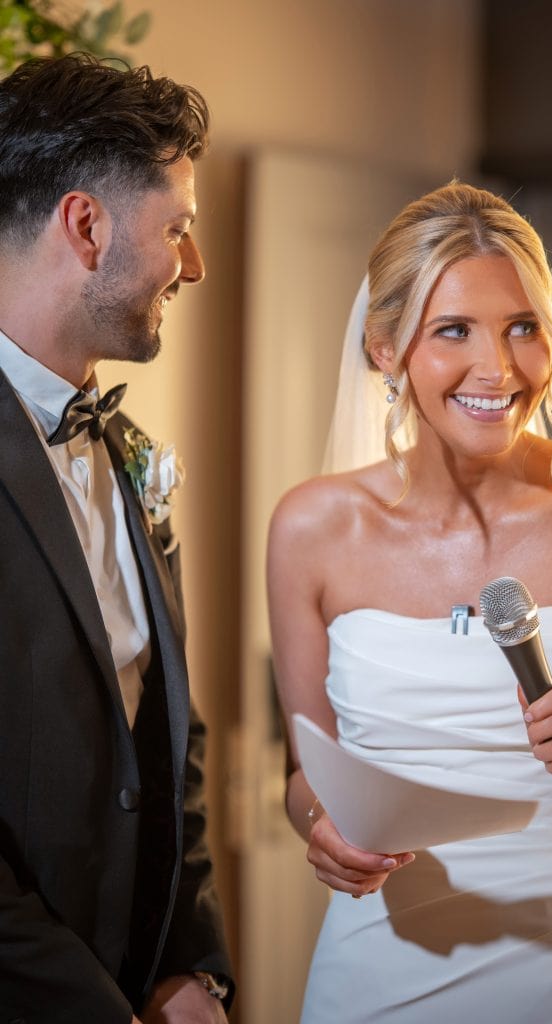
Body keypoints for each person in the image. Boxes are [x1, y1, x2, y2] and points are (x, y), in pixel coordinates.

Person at [267, 180, 552, 1022]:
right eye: (452, 330)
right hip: (377, 977)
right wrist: (324, 828)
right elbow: (304, 775)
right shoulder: (311, 527)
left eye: (522, 328)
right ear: (384, 348)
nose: (497, 369)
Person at [0, 54, 234, 1023]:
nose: (195, 264)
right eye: (176, 227)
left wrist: (195, 968)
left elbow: (171, 738)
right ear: (86, 227)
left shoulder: (127, 449)